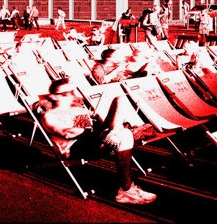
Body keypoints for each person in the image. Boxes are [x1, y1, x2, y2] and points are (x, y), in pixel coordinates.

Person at [37, 77, 157, 205]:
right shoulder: (50, 115)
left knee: (120, 100)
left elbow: (92, 128)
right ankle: (126, 190)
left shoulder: (80, 110)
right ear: (54, 96)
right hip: (75, 147)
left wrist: (100, 127)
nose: (71, 96)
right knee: (124, 134)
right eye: (66, 93)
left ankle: (126, 190)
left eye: (73, 92)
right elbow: (67, 133)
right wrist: (96, 131)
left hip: (92, 140)